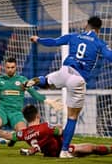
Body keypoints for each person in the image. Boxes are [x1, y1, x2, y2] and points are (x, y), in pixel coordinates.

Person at [24, 16, 112, 158]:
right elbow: (109, 56)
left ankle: (37, 80)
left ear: (86, 25)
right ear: (98, 30)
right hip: (77, 79)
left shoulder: (74, 35)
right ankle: (64, 150)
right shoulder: (99, 43)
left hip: (64, 71)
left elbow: (54, 42)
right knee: (72, 117)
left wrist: (38, 39)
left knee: (47, 81)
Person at [0, 104, 112, 157]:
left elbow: (8, 135)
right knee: (93, 148)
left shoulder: (23, 133)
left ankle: (33, 150)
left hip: (49, 155)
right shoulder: (45, 127)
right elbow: (62, 132)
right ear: (38, 116)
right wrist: (60, 127)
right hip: (66, 151)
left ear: (26, 118)